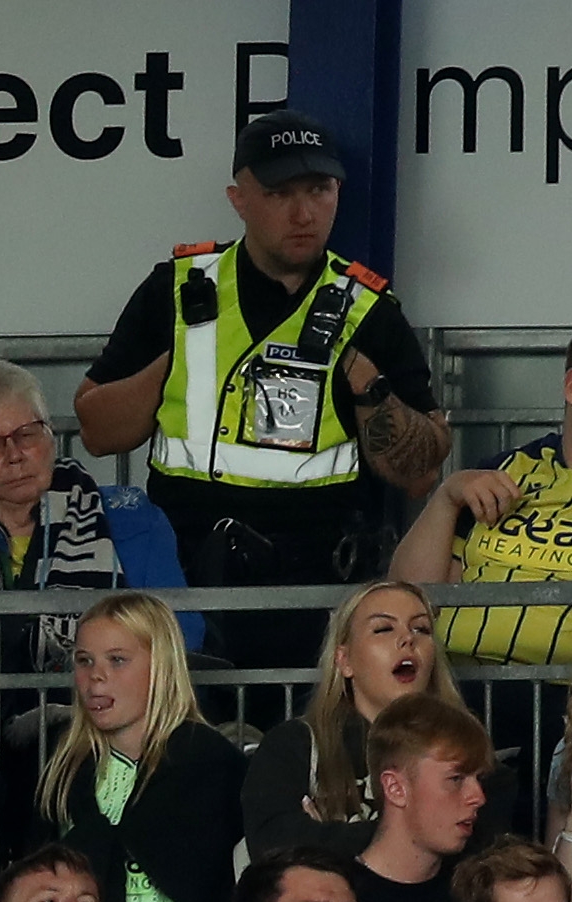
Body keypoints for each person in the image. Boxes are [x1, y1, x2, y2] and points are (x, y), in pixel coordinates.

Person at [71, 113, 446, 616]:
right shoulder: (180, 290)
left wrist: (363, 380)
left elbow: (423, 474)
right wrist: (180, 359)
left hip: (317, 597)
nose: (304, 214)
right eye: (279, 193)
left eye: (320, 190)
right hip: (182, 588)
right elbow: (96, 430)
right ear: (238, 199)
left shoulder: (367, 310)